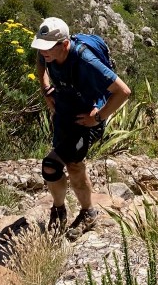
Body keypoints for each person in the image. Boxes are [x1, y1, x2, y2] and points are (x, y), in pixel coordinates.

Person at [32, 17, 131, 239]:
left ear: (64, 43)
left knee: (52, 165)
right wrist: (46, 88)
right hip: (64, 114)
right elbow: (40, 61)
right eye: (41, 46)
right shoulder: (47, 50)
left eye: (48, 48)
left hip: (86, 119)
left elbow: (123, 91)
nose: (43, 51)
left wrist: (98, 117)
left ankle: (83, 211)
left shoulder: (85, 61)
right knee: (73, 166)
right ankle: (64, 210)